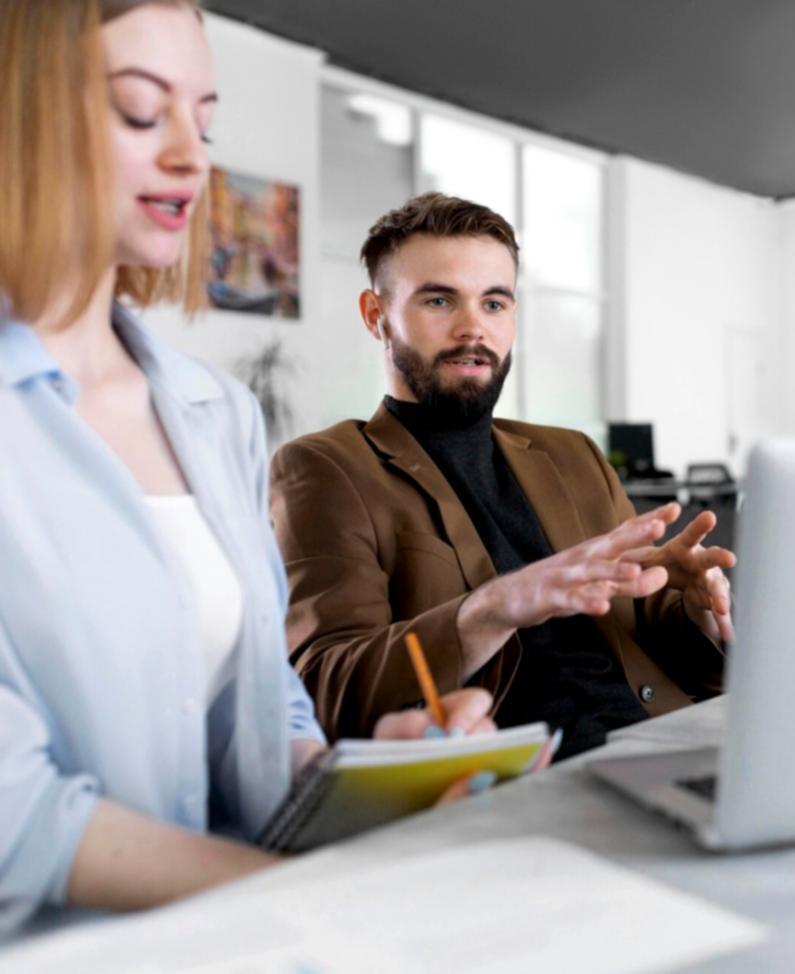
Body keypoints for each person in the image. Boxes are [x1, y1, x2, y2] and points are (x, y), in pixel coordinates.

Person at [0, 0, 491, 936]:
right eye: (145, 114)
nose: (194, 156)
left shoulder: (213, 411)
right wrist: (295, 904)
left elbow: (267, 721)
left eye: (206, 121)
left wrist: (360, 782)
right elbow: (16, 818)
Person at [270, 193, 734, 757]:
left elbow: (675, 662)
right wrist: (491, 609)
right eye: (440, 301)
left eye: (494, 304)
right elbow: (325, 689)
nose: (473, 329)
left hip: (663, 746)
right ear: (376, 316)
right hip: (519, 778)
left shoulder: (575, 456)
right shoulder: (327, 468)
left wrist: (697, 613)